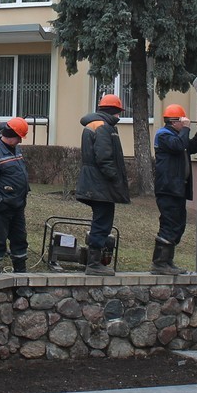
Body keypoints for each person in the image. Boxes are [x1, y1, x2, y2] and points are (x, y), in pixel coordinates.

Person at [76, 93, 130, 276]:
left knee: (101, 220)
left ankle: (94, 261)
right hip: (100, 184)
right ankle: (94, 263)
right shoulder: (104, 127)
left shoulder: (94, 124)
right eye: (118, 113)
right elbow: (104, 157)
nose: (119, 117)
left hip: (93, 182)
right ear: (113, 111)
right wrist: (115, 178)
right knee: (102, 221)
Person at [152, 104, 197, 275]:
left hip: (177, 188)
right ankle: (160, 263)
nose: (184, 124)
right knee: (169, 224)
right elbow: (178, 145)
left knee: (178, 224)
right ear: (175, 122)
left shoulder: (177, 136)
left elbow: (191, 147)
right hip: (167, 188)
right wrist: (187, 129)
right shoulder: (164, 135)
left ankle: (167, 261)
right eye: (182, 121)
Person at [0, 117, 30, 274]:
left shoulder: (15, 149)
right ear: (12, 134)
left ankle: (20, 271)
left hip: (17, 204)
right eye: (19, 137)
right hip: (2, 206)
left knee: (19, 238)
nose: (20, 141)